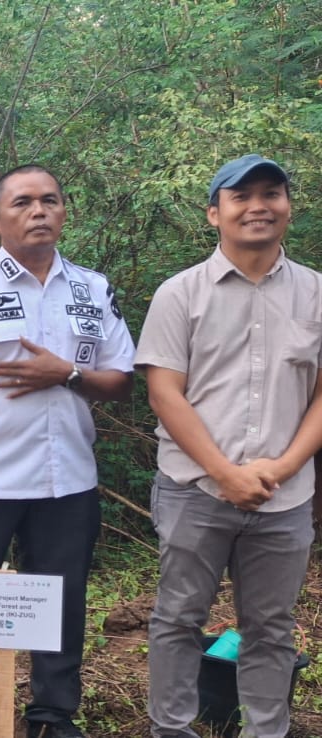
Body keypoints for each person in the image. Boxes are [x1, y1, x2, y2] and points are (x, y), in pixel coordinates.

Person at [0, 166, 135, 738]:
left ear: (64, 212)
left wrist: (67, 373)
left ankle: (51, 717)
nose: (38, 211)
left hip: (67, 483)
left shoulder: (93, 289)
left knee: (63, 604)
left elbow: (120, 381)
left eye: (50, 201)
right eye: (22, 203)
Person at [137, 155, 320, 738]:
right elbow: (165, 393)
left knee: (269, 625)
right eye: (241, 197)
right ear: (215, 213)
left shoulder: (317, 292)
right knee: (177, 618)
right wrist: (225, 473)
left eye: (272, 193)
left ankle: (266, 731)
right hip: (195, 492)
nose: (258, 206)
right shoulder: (179, 294)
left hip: (284, 499)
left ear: (290, 206)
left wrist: (285, 467)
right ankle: (171, 728)